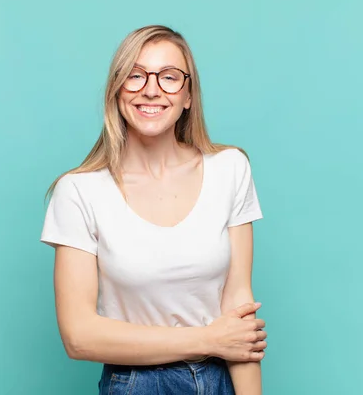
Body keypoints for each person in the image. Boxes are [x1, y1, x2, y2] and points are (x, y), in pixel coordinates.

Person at [40, 24, 267, 395]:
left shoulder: (230, 168)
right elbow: (78, 336)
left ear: (189, 95)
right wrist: (208, 340)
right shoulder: (78, 192)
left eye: (169, 77)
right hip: (136, 384)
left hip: (219, 380)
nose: (151, 89)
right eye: (135, 75)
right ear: (116, 90)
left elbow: (239, 312)